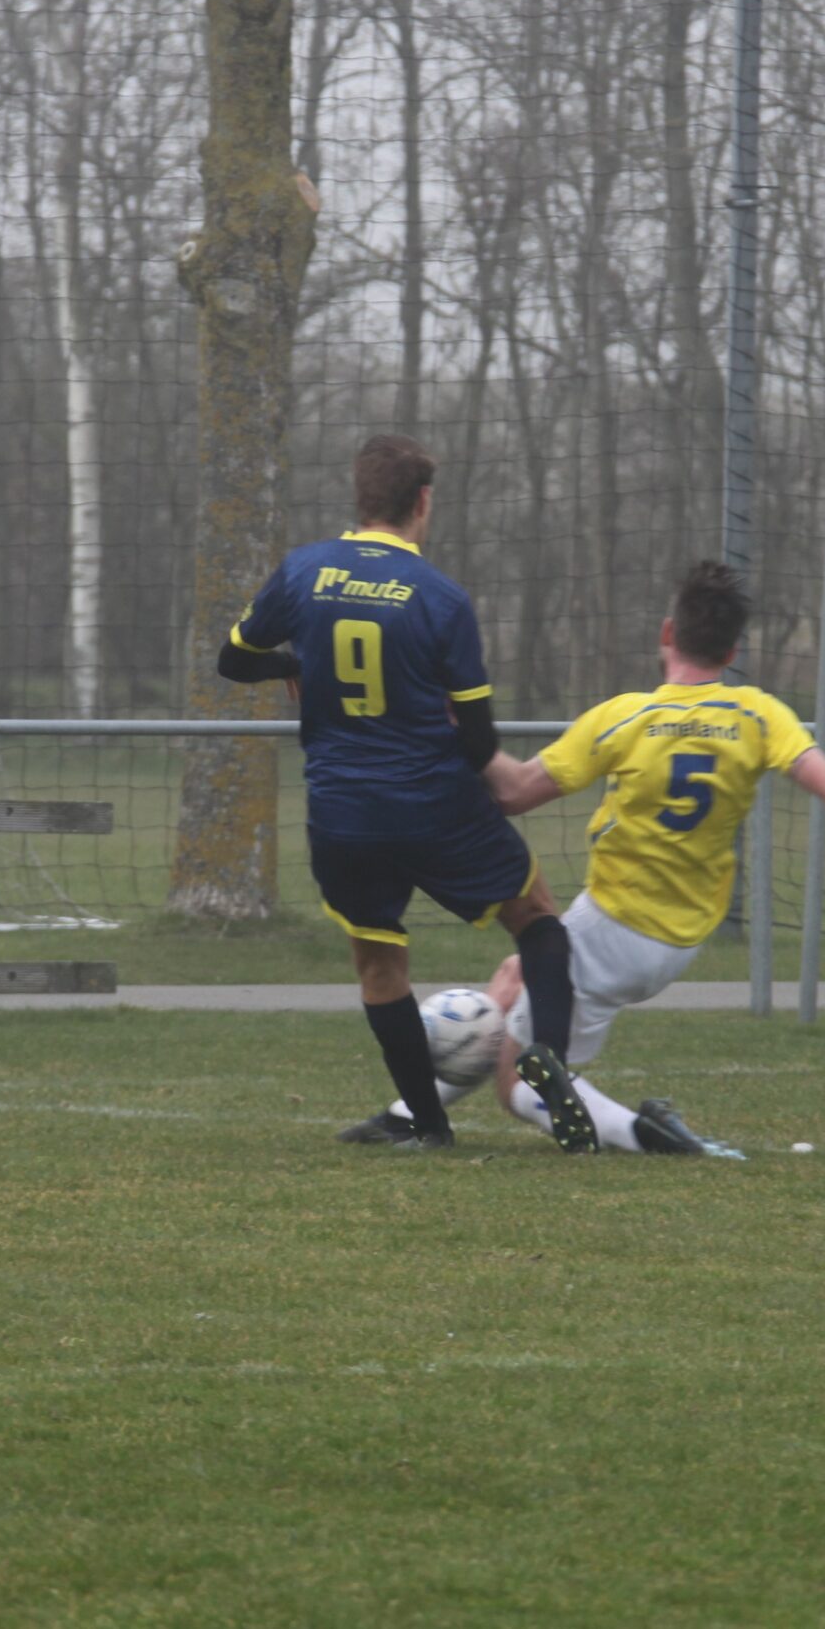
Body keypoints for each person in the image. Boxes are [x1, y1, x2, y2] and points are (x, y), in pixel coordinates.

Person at [338, 560, 825, 1155]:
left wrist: (455, 733)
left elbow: (512, 794)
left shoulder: (625, 718)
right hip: (679, 936)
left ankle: (645, 1134)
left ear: (667, 634)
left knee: (516, 1085)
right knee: (513, 974)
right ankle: (406, 1116)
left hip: (614, 925)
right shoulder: (759, 715)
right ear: (733, 648)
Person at [217, 433, 596, 1153]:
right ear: (423, 502)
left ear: (359, 499)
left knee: (380, 962)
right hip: (434, 802)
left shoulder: (303, 572)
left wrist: (294, 662)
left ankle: (428, 1125)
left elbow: (232, 659)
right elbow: (481, 745)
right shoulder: (441, 599)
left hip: (342, 811)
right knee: (538, 918)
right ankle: (548, 1054)